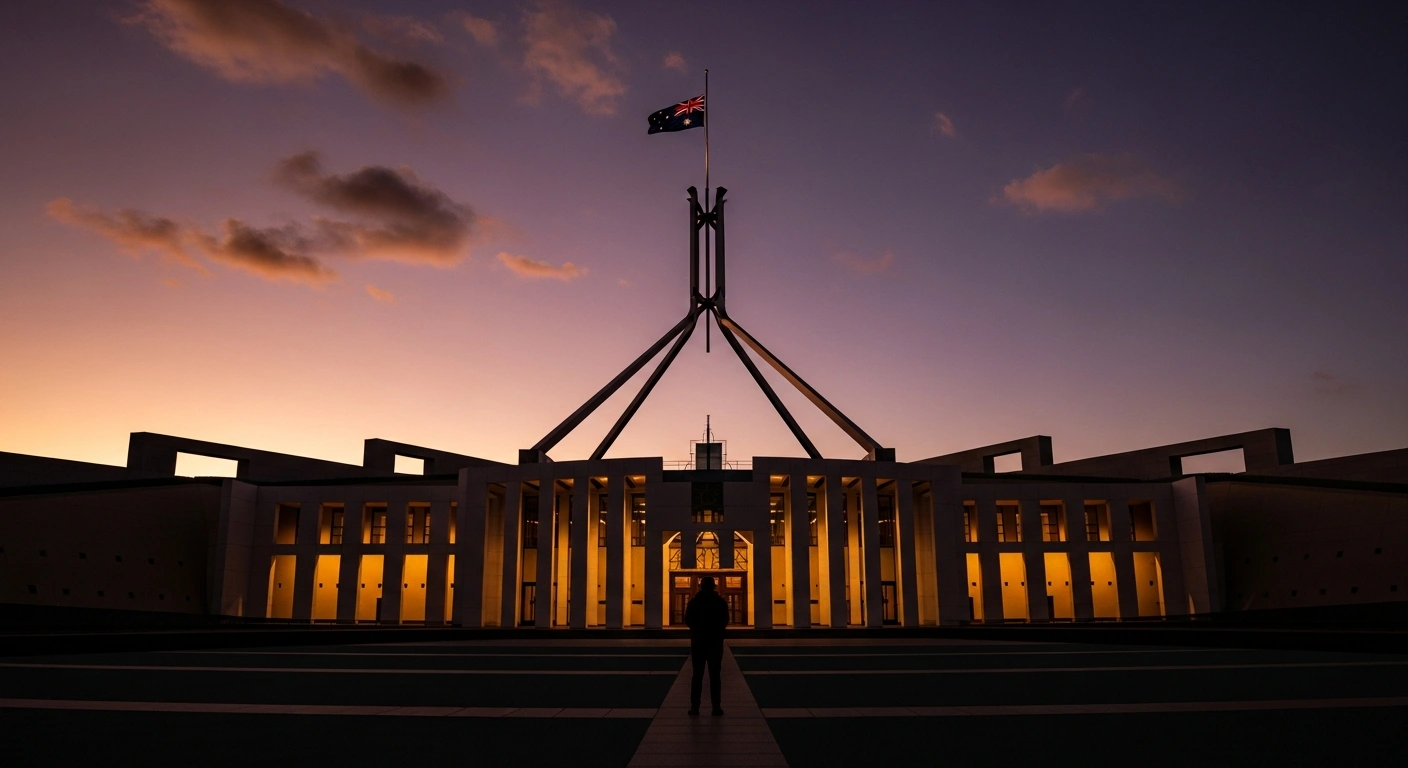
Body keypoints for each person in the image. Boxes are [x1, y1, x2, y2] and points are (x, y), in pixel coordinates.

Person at [684, 575, 729, 716]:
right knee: (715, 676)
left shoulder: (694, 602)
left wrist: (697, 630)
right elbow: (725, 621)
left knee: (697, 675)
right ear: (714, 586)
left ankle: (695, 707)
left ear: (700, 586)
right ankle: (716, 707)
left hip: (698, 642)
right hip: (715, 643)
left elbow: (688, 621)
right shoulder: (721, 602)